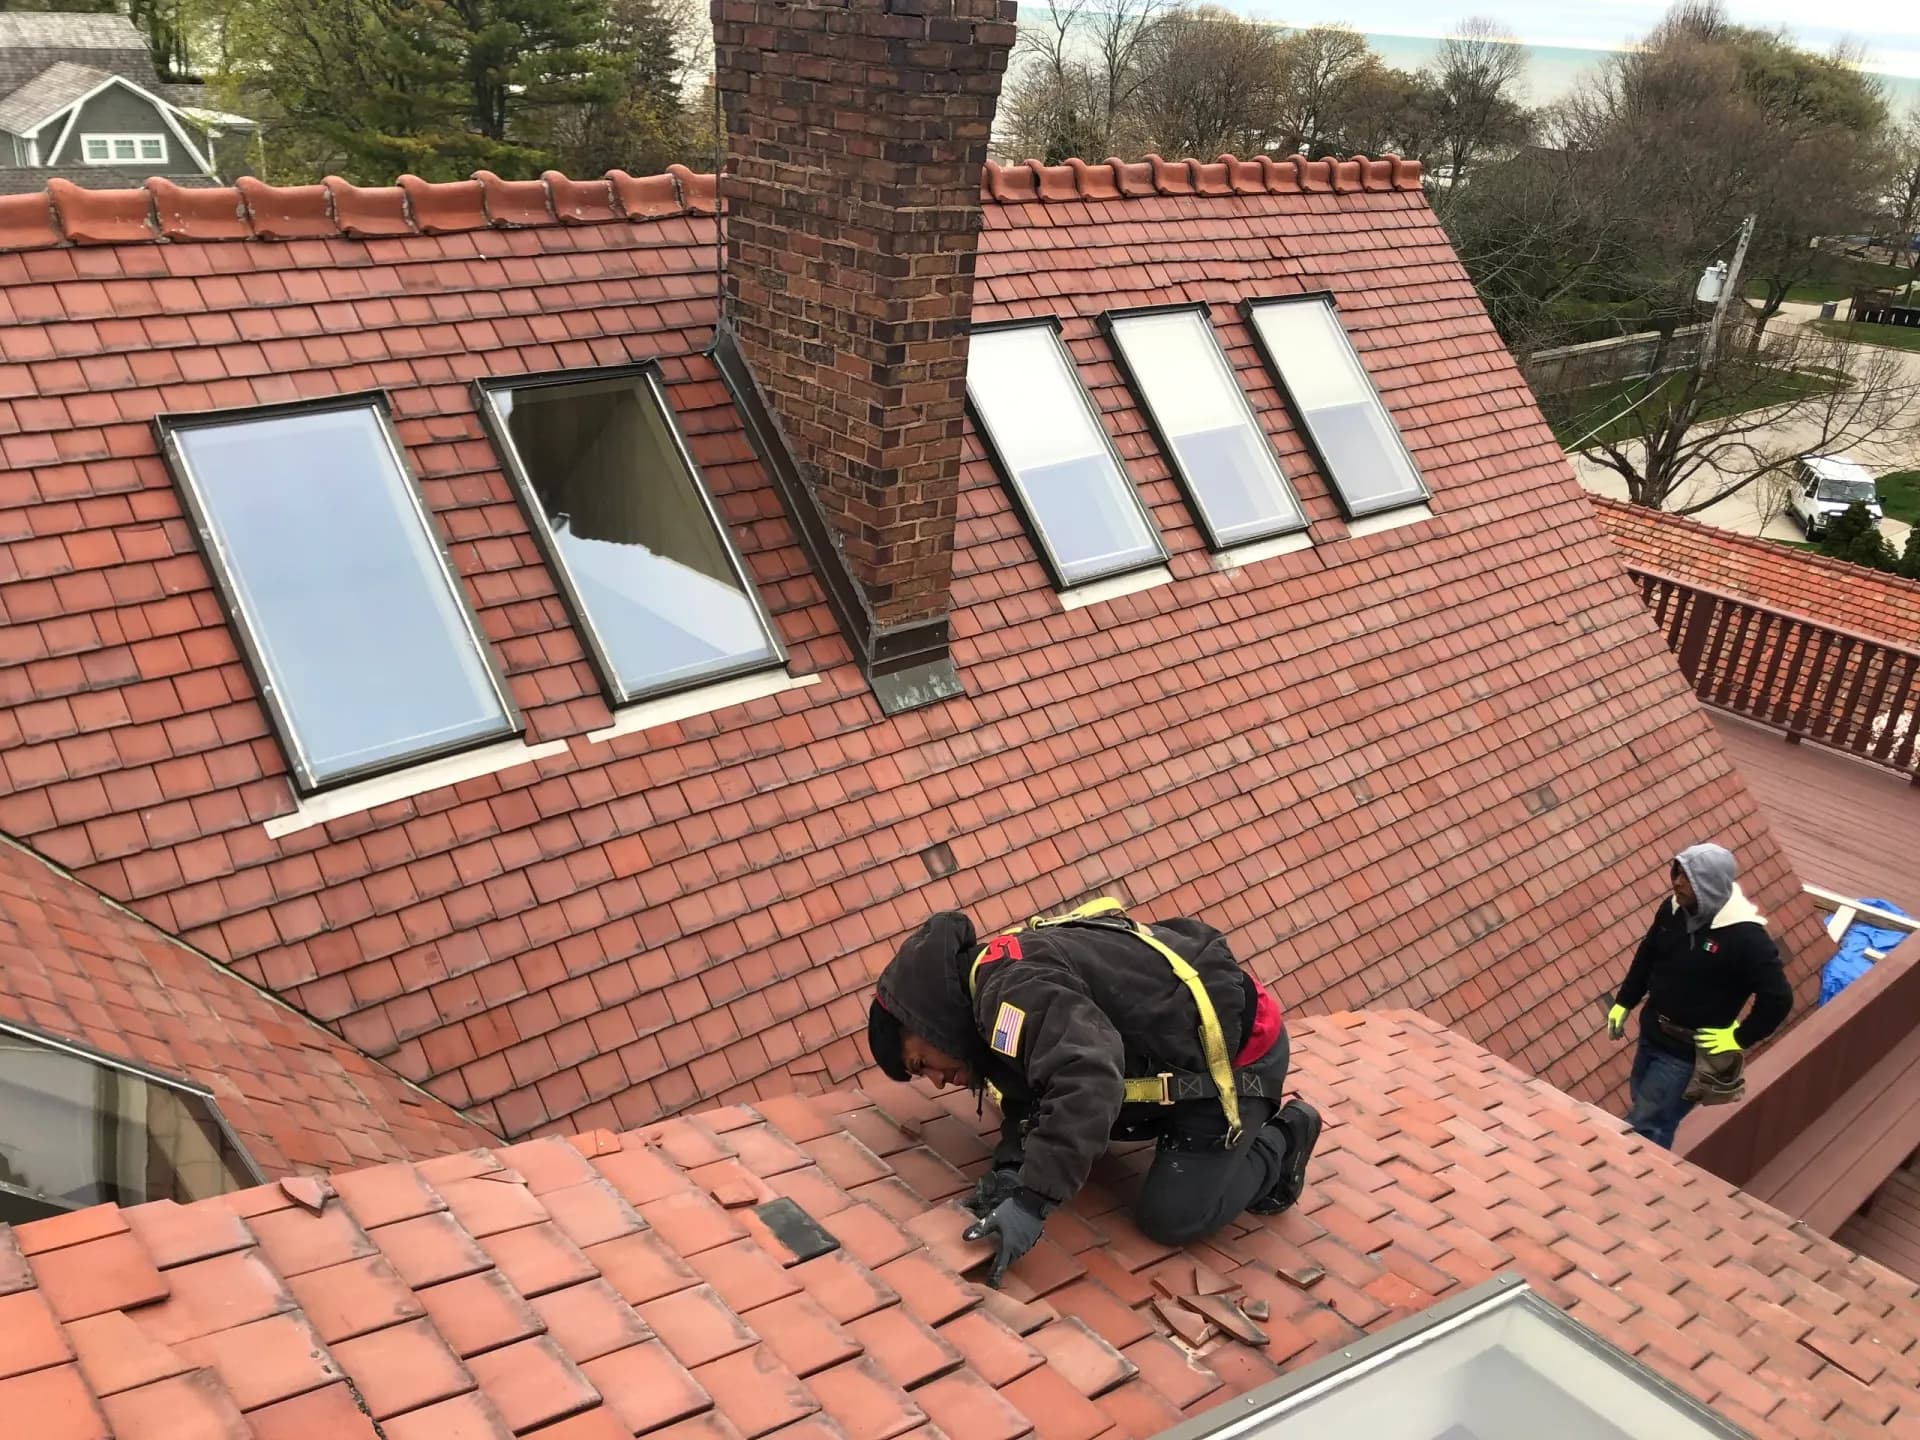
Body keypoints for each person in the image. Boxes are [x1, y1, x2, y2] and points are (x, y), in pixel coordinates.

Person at [865, 899, 1321, 1285]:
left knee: (1175, 1217)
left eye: (921, 1064)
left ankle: (1284, 1138)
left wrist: (1031, 1201)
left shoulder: (1011, 991)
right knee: (1086, 1122)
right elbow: (1031, 1085)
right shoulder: (986, 994)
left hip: (1237, 1055)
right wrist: (1010, 1170)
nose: (938, 1081)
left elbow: (1087, 1077)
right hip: (1169, 1052)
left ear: (927, 1020)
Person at [1606, 843, 1792, 1149]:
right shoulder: (1673, 910)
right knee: (1648, 1112)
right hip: (1652, 1032)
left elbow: (1778, 998)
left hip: (1686, 1053)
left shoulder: (1746, 938)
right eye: (1677, 872)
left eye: (1688, 877)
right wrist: (1625, 1001)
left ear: (1711, 885)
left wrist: (1739, 1038)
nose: (1677, 881)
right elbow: (1648, 955)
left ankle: (1630, 1182)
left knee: (1646, 1127)